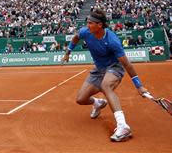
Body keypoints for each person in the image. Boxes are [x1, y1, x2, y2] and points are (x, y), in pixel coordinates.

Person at [62, 9, 148, 142]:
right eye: (87, 22)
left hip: (115, 67)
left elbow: (127, 64)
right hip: (99, 68)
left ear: (99, 25)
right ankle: (98, 103)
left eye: (90, 23)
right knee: (80, 99)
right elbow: (76, 37)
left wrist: (139, 86)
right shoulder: (86, 31)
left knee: (106, 86)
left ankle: (123, 126)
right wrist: (68, 51)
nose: (87, 25)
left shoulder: (112, 40)